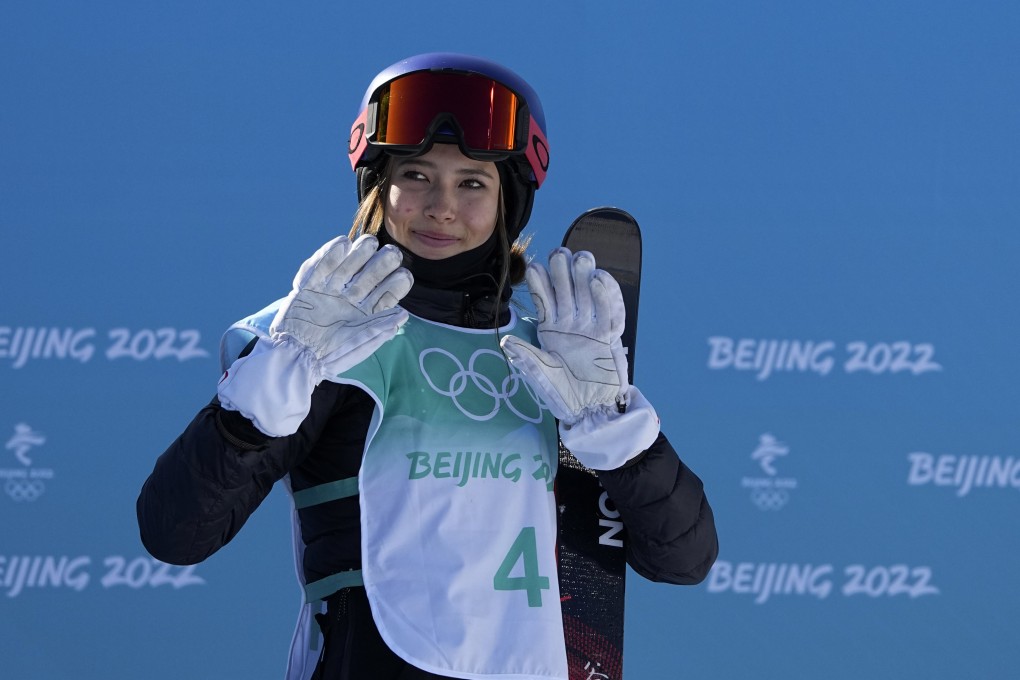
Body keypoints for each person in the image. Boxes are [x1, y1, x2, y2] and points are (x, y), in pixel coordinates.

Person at [137, 52, 717, 680]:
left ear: (507, 203)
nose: (442, 205)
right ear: (378, 188)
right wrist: (273, 378)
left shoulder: (554, 359)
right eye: (416, 175)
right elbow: (177, 533)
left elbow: (683, 558)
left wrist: (611, 423)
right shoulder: (322, 341)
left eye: (473, 182)